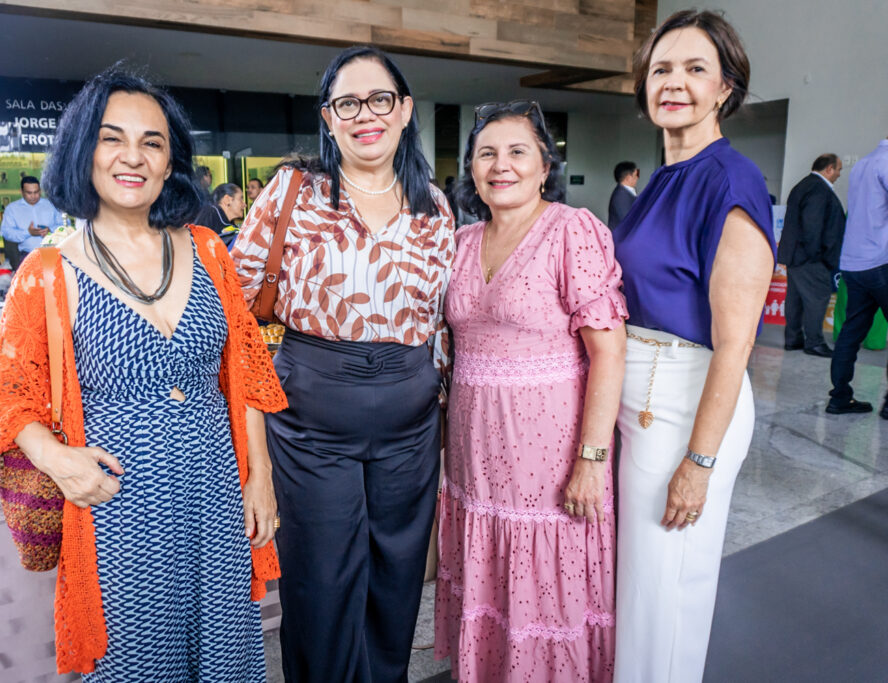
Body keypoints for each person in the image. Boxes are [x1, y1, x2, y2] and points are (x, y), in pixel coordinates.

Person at [0, 66, 286, 680]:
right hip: (117, 502)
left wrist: (261, 476)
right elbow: (7, 393)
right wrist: (59, 462)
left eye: (152, 142)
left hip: (216, 491)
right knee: (135, 661)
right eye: (112, 138)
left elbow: (244, 370)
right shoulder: (48, 271)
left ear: (170, 162)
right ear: (84, 152)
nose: (131, 157)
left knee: (225, 652)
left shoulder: (209, 249)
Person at [231, 45, 454, 683]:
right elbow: (237, 315)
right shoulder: (292, 193)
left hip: (410, 427)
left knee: (397, 580)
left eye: (379, 99)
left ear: (405, 110)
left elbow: (443, 323)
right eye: (346, 103)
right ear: (328, 118)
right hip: (311, 426)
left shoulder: (435, 208)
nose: (365, 115)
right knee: (322, 583)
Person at [434, 100, 627, 682]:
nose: (501, 165)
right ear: (471, 168)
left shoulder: (572, 231)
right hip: (475, 463)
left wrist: (591, 461)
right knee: (490, 598)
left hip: (548, 463)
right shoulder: (462, 240)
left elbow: (609, 352)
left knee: (545, 600)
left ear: (546, 166)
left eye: (518, 152)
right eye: (486, 154)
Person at [610, 11, 775, 682]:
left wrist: (698, 461)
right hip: (644, 400)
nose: (673, 82)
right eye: (661, 69)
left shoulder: (731, 181)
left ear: (726, 88)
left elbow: (736, 344)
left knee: (667, 594)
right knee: (642, 591)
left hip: (687, 405)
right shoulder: (663, 176)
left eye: (694, 68)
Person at [828, 136, 888, 417]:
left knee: (850, 333)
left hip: (855, 264)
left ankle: (840, 397)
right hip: (881, 261)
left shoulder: (864, 164)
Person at [778, 153, 845, 357]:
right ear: (829, 169)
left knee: (795, 299)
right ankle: (814, 342)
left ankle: (793, 339)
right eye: (839, 169)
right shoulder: (818, 189)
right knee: (818, 298)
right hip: (810, 258)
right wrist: (817, 256)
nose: (840, 174)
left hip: (796, 256)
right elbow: (812, 225)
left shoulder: (803, 185)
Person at [0, 176, 63, 267]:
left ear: (40, 190)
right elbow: (6, 233)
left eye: (36, 192)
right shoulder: (12, 209)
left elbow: (65, 225)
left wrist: (51, 230)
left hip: (53, 253)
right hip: (27, 256)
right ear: (21, 192)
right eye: (29, 193)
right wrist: (28, 232)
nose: (33, 196)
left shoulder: (51, 205)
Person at [198, 182, 244, 247]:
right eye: (241, 199)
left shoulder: (230, 225)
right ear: (227, 199)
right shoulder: (209, 214)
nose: (244, 204)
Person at [607, 161, 639, 228]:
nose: (637, 178)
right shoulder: (620, 196)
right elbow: (628, 221)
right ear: (628, 178)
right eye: (636, 175)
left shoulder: (626, 192)